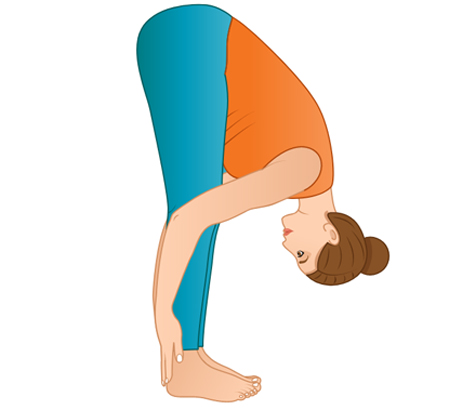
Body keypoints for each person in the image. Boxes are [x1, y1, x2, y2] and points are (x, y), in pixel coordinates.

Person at [136, 4, 389, 402]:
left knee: (202, 208)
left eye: (296, 257)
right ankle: (185, 361)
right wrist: (163, 315)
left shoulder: (301, 167)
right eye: (303, 252)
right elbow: (187, 217)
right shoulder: (301, 172)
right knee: (198, 210)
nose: (288, 246)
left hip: (193, 39)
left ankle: (193, 354)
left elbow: (187, 217)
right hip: (193, 44)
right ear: (330, 232)